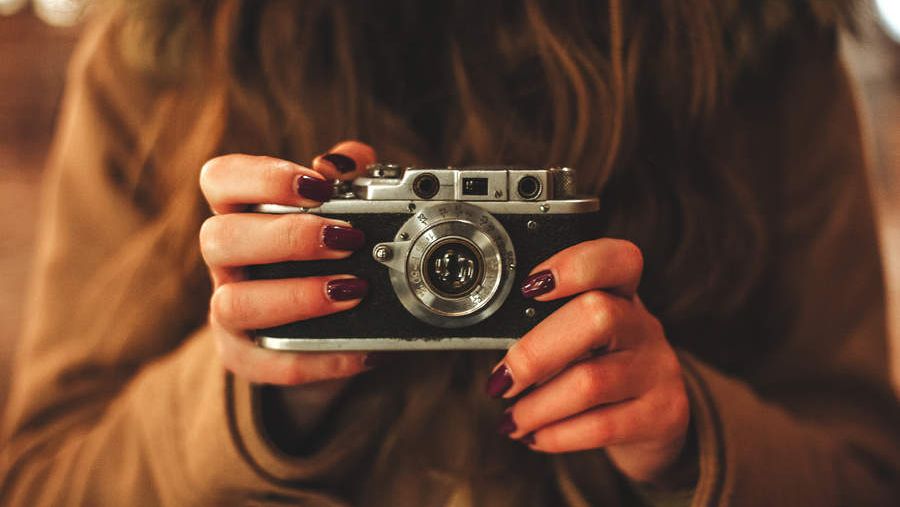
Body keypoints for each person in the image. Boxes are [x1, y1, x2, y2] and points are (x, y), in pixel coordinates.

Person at [1, 1, 898, 505]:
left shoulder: (767, 42)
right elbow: (42, 481)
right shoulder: (161, 49)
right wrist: (249, 387)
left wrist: (685, 433)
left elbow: (868, 475)